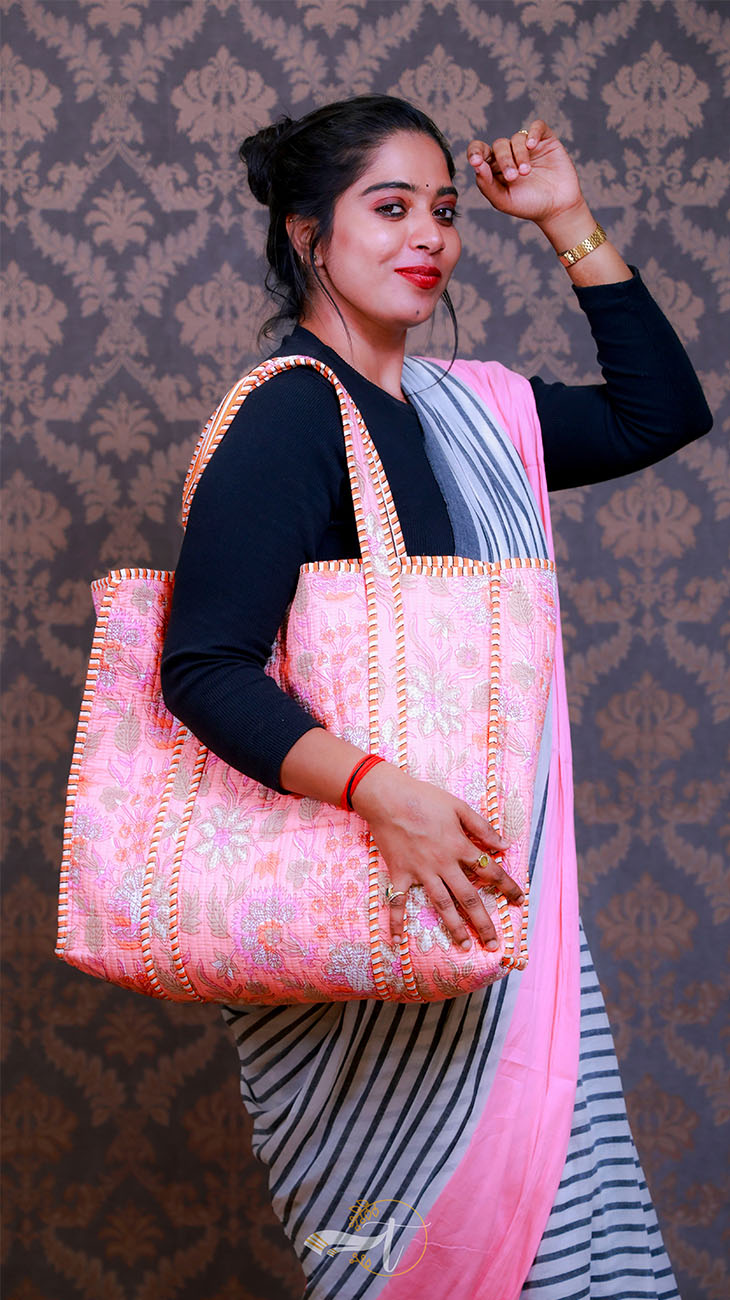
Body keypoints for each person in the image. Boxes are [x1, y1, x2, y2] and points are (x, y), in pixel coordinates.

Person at [160, 96, 711, 1299]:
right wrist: (380, 793)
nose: (430, 239)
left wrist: (565, 216)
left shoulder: (468, 413)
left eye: (446, 213)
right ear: (310, 233)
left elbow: (659, 413)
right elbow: (201, 669)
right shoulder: (290, 412)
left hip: (474, 907)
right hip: (363, 913)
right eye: (390, 207)